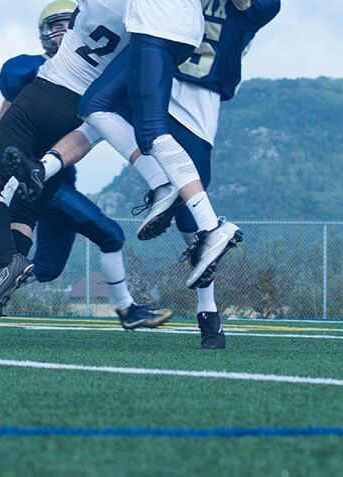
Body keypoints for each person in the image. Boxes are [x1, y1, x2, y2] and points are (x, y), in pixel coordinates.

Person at [20, 0, 281, 349]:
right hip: (164, 71)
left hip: (193, 99)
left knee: (192, 227)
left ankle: (209, 309)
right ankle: (43, 168)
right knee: (96, 114)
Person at [0, 0, 169, 348]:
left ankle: (6, 262)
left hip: (46, 94)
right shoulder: (149, 27)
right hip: (81, 121)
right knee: (25, 213)